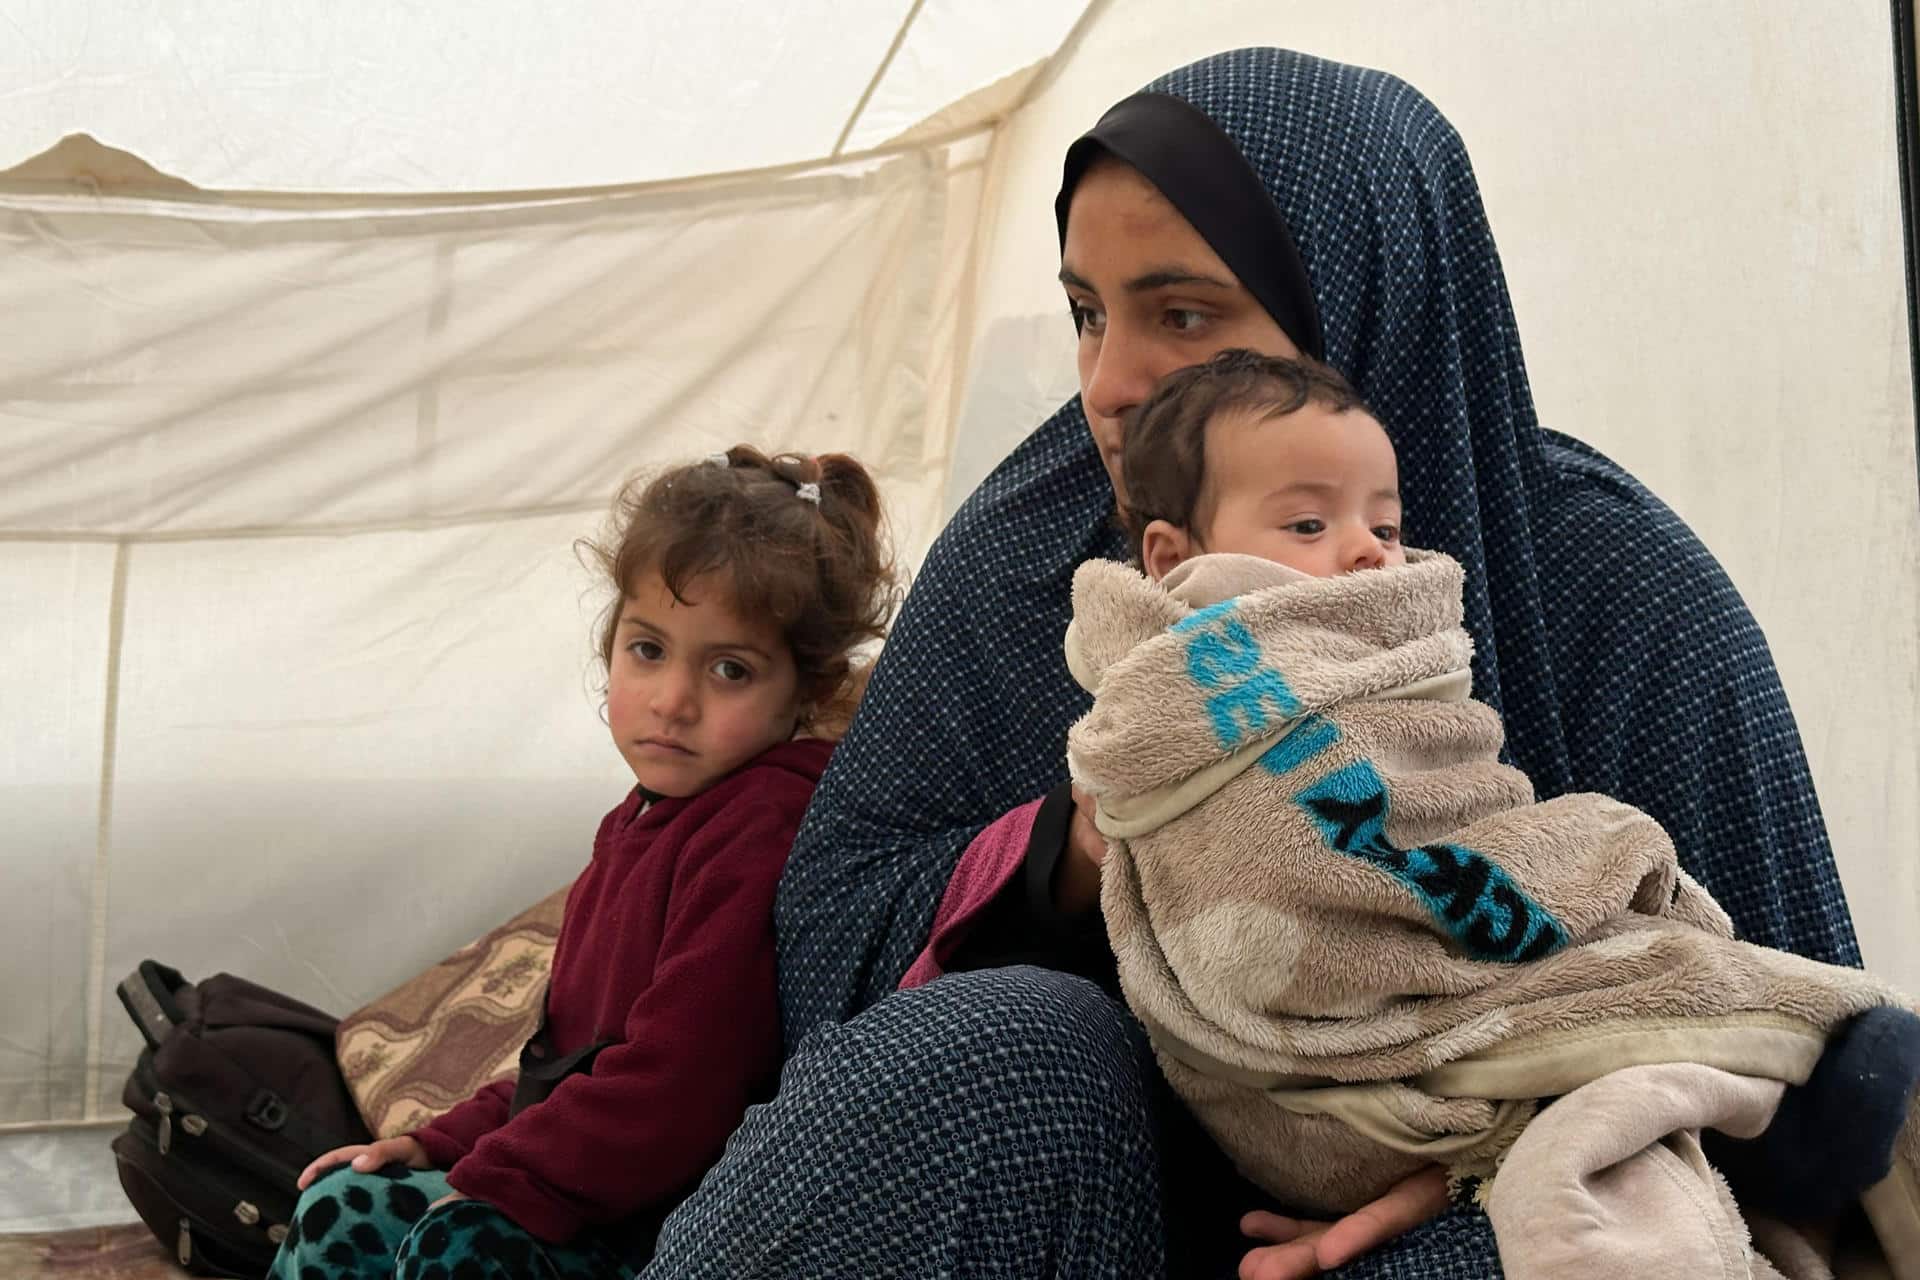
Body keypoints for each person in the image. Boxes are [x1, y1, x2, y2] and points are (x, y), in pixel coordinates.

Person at [762, 47, 1863, 1280]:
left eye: (1183, 315)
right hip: (1084, 1207)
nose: (1110, 383)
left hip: (1477, 1180)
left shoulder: (1609, 586)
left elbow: (1808, 1055)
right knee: (1006, 1045)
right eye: (1086, 312)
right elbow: (834, 924)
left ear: (1364, 298)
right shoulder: (1029, 551)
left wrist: (1482, 1151)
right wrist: (1080, 849)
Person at [1033, 348, 1919, 1267]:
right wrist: (1597, 850)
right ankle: (1769, 1094)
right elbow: (1301, 892)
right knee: (1617, 1138)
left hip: (1428, 1032)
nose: (1368, 550)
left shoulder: (1421, 646)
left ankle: (1764, 1123)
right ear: (1174, 556)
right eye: (1308, 522)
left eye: (1385, 522)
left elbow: (1452, 800)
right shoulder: (1185, 704)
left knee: (1637, 1091)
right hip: (1337, 1075)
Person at [267, 446, 897, 1280]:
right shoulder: (642, 821)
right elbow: (567, 1064)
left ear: (806, 691)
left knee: (459, 1245)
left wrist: (507, 1178)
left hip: (663, 1229)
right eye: (648, 650)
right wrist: (445, 1142)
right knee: (342, 1205)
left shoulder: (757, 826)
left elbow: (682, 1086)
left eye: (730, 669)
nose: (672, 701)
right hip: (592, 1189)